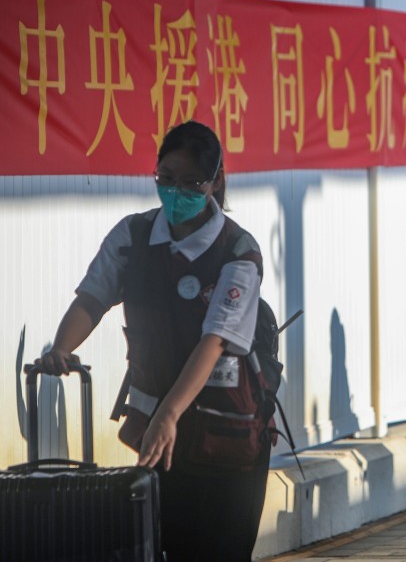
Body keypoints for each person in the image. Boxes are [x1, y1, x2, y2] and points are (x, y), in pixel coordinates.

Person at [35, 121, 270, 561]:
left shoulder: (239, 252)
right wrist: (62, 347)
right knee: (165, 548)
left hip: (229, 439)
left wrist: (170, 413)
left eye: (189, 183)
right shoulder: (132, 237)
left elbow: (215, 340)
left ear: (215, 181)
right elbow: (93, 297)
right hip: (156, 441)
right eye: (165, 179)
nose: (175, 192)